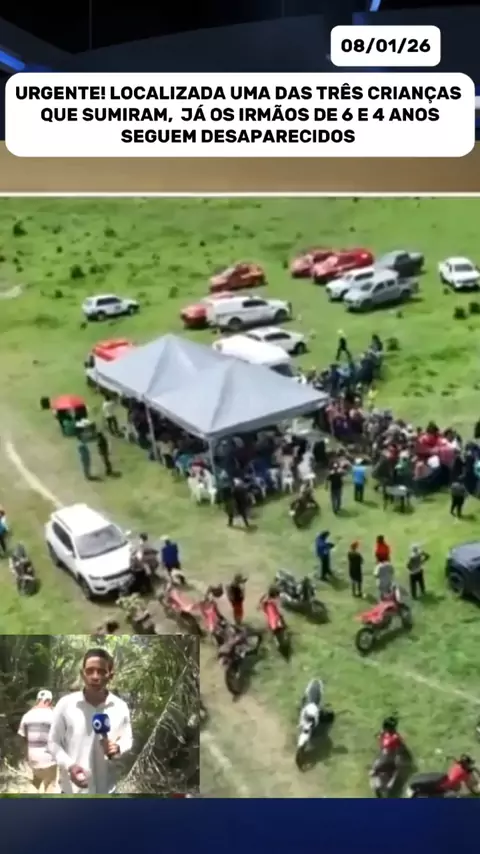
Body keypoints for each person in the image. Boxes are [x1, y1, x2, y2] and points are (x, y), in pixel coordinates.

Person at [47, 648, 133, 795]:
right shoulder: (65, 704)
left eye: (101, 671)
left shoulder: (120, 707)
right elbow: (53, 742)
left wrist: (118, 748)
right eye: (90, 671)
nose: (95, 676)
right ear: (82, 674)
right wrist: (70, 766)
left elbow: (128, 739)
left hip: (106, 790)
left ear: (110, 676)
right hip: (72, 792)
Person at [18, 689, 57, 794]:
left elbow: (23, 738)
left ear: (38, 700)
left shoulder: (27, 716)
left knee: (36, 781)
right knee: (51, 783)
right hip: (49, 759)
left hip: (33, 758)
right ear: (48, 701)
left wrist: (26, 756)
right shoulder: (54, 715)